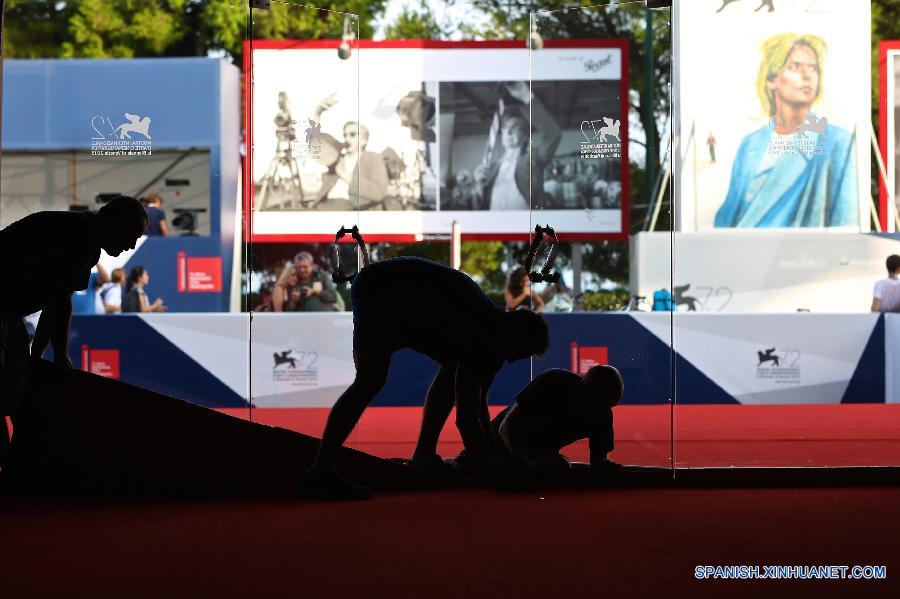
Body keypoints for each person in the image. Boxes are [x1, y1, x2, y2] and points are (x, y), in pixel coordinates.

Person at [306, 256, 550, 499]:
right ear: (516, 338)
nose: (511, 361)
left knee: (448, 365)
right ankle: (321, 471)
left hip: (387, 287)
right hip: (384, 289)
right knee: (371, 379)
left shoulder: (491, 329)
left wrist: (490, 453)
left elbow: (478, 404)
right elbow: (466, 418)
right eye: (520, 354)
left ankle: (423, 455)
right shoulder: (484, 339)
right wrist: (492, 470)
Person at [0, 196, 147, 465]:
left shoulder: (87, 242)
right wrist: (58, 355)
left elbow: (54, 302)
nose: (130, 246)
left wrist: (39, 355)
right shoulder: (78, 238)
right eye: (131, 236)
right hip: (3, 309)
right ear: (114, 224)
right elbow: (59, 302)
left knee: (16, 389)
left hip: (8, 312)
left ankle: (17, 466)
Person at [715, 34, 858, 228]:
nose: (807, 75)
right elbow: (729, 215)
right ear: (771, 80)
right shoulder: (751, 144)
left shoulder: (838, 141)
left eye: (813, 68)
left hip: (803, 255)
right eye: (795, 66)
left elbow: (845, 221)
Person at [476, 365, 622, 482]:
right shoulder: (553, 382)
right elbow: (506, 428)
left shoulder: (603, 414)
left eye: (609, 406)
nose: (604, 411)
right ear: (586, 392)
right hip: (496, 442)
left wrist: (604, 467)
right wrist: (529, 458)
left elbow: (598, 463)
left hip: (538, 453)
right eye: (599, 403)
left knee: (561, 466)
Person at [475, 82, 561, 211]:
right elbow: (479, 206)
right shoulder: (491, 169)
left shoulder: (534, 159)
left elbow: (553, 134)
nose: (508, 133)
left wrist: (527, 97)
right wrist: (478, 186)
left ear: (526, 135)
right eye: (505, 129)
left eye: (515, 128)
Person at [312, 94, 390, 210]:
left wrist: (344, 174)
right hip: (324, 205)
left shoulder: (373, 158)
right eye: (345, 135)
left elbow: (379, 193)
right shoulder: (339, 156)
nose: (347, 138)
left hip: (349, 208)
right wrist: (317, 114)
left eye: (352, 134)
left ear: (364, 140)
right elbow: (316, 144)